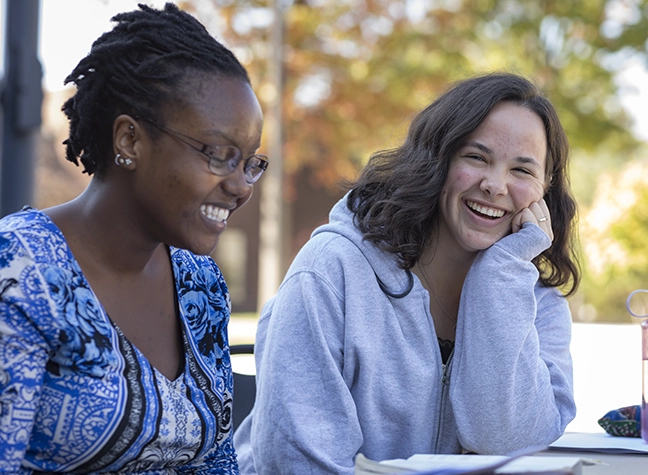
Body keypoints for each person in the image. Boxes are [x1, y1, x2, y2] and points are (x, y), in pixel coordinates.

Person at [234, 73, 579, 474]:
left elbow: (504, 442)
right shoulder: (332, 271)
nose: (495, 185)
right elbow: (297, 463)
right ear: (436, 159)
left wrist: (499, 277)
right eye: (476, 157)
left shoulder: (540, 307)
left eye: (522, 170)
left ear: (544, 188)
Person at [0, 3, 266, 473]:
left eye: (249, 163)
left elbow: (217, 460)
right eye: (221, 155)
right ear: (129, 140)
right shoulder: (19, 268)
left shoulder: (199, 282)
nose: (241, 185)